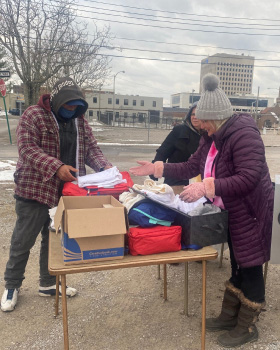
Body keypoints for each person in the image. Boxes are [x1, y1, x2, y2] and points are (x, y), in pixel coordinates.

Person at [129, 73, 274, 348]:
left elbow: (250, 176)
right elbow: (190, 166)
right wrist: (158, 168)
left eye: (204, 120)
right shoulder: (212, 136)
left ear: (217, 117)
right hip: (230, 209)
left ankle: (248, 326)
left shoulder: (243, 134)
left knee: (250, 264)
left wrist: (207, 187)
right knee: (237, 261)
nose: (201, 125)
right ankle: (231, 316)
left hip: (251, 209)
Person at [1, 77, 113, 312]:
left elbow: (92, 148)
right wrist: (56, 167)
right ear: (56, 101)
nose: (72, 111)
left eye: (76, 107)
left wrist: (104, 168)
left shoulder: (79, 121)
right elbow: (27, 148)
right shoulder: (34, 115)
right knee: (23, 240)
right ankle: (12, 285)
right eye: (68, 106)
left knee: (53, 240)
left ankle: (48, 283)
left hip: (67, 192)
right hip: (35, 189)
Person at [150, 102, 202, 186]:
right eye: (192, 114)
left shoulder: (209, 135)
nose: (195, 117)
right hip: (175, 180)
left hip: (197, 182)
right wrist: (154, 170)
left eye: (198, 115)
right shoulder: (179, 130)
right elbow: (163, 152)